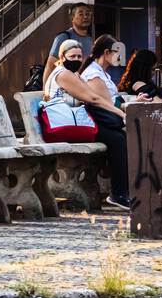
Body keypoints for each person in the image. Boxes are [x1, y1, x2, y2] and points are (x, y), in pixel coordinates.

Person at [50, 34, 130, 211]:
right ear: (62, 57)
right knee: (117, 138)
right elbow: (93, 98)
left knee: (118, 136)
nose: (77, 60)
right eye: (72, 56)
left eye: (79, 56)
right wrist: (120, 113)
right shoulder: (63, 74)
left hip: (73, 121)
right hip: (62, 125)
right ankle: (119, 193)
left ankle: (121, 192)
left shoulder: (72, 74)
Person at [43, 3, 94, 85]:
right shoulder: (63, 37)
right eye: (81, 14)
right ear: (72, 18)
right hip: (65, 86)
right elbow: (50, 66)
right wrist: (46, 91)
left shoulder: (90, 40)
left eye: (87, 14)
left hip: (84, 85)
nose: (85, 17)